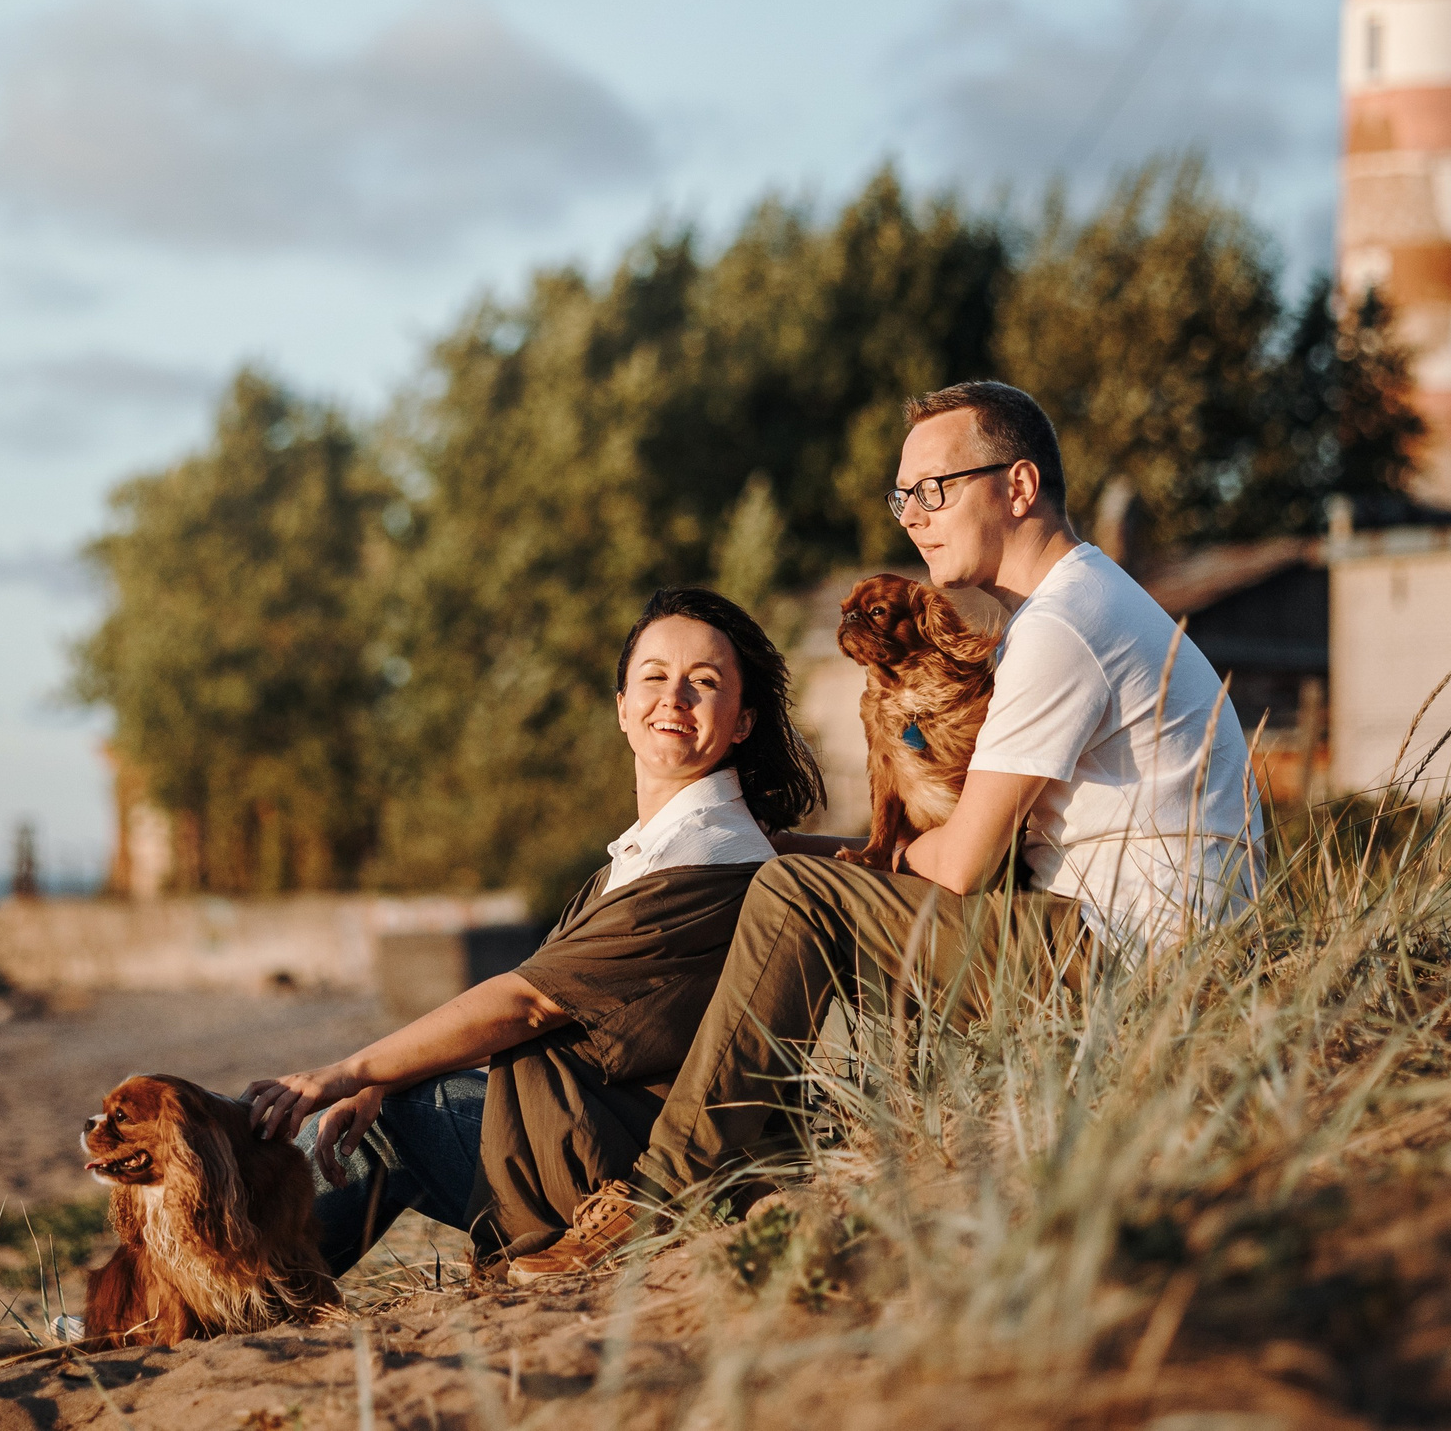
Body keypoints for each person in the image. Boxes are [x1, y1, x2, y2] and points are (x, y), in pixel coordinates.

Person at [510, 379, 1260, 1280]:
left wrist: (835, 863)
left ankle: (661, 1194)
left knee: (794, 889)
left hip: (1132, 969)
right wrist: (832, 855)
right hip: (1123, 946)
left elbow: (962, 865)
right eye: (901, 496)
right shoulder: (1081, 604)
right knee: (793, 873)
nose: (913, 516)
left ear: (1019, 487)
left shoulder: (1064, 627)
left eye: (934, 490)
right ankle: (749, 1165)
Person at [242, 587, 825, 1278]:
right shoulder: (663, 849)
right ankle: (227, 1296)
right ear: (621, 708)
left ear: (742, 722)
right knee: (386, 1103)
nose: (674, 698)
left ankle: (207, 1304)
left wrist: (342, 1074)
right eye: (654, 677)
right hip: (597, 1134)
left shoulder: (707, 853)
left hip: (613, 1182)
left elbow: (526, 1002)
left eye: (704, 682)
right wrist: (375, 1081)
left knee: (386, 1123)